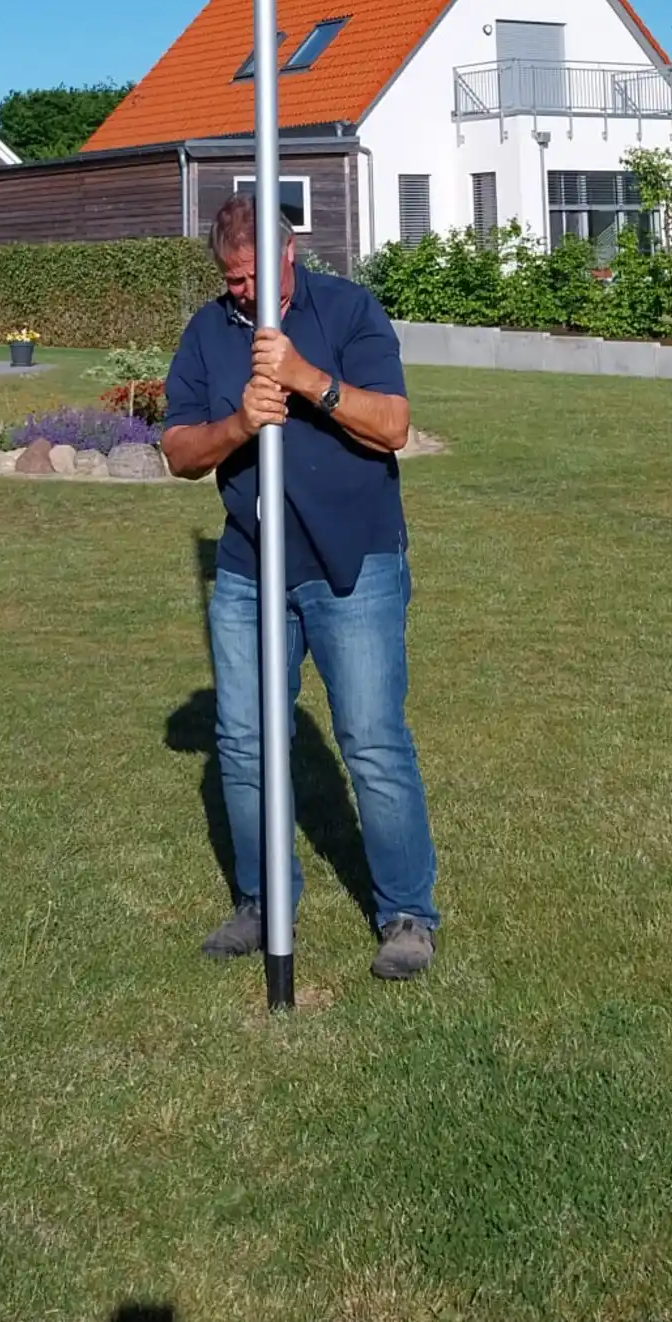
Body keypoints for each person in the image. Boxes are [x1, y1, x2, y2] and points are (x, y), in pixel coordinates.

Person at [162, 192, 439, 981]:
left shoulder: (349, 311)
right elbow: (179, 451)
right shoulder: (210, 333)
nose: (239, 292)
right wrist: (240, 425)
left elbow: (392, 425)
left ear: (288, 256)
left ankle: (406, 914)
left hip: (354, 563)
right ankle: (262, 900)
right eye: (229, 279)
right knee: (244, 744)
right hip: (252, 569)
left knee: (372, 740)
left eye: (249, 276)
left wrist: (308, 381)